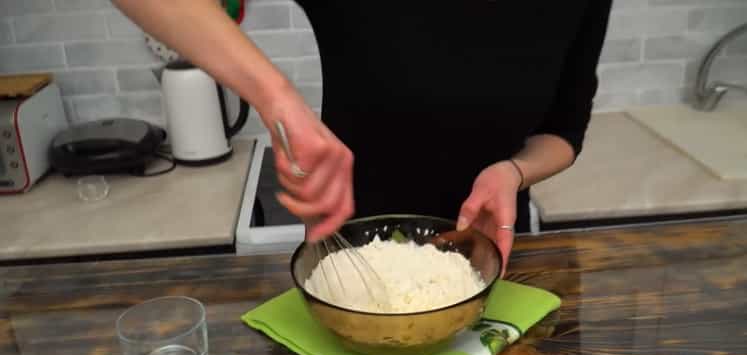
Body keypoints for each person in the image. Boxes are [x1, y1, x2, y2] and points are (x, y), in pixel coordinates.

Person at [113, 0, 612, 274]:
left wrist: (513, 171)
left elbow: (564, 130)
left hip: (489, 253)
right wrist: (278, 97)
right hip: (351, 257)